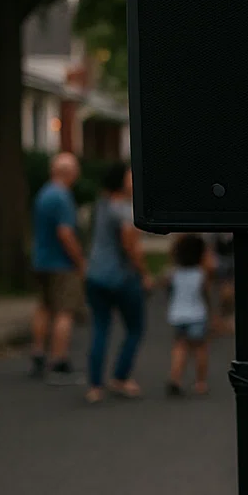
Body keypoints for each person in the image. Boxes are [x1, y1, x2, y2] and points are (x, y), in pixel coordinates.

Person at [82, 162, 151, 403]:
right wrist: (144, 273)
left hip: (95, 274)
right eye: (130, 177)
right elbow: (130, 246)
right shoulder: (122, 210)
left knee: (100, 328)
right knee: (135, 328)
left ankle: (95, 385)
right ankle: (120, 377)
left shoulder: (100, 205)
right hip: (121, 277)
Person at [29, 151, 85, 384]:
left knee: (44, 307)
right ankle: (58, 361)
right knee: (64, 312)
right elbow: (65, 233)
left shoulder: (44, 193)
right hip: (61, 264)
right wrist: (79, 261)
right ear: (70, 173)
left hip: (41, 260)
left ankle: (38, 353)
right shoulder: (63, 197)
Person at [166, 234, 214, 396]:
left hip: (178, 315)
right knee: (200, 348)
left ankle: (175, 378)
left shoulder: (175, 273)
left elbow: (169, 290)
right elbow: (206, 294)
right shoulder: (200, 274)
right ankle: (200, 382)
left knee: (180, 347)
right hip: (197, 315)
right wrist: (211, 311)